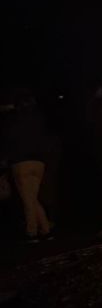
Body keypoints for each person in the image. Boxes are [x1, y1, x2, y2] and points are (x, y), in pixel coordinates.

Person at [0, 90, 53, 241]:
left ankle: (32, 232)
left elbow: (8, 141)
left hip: (21, 163)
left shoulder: (13, 122)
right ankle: (46, 229)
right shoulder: (39, 120)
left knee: (27, 200)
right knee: (32, 198)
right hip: (38, 163)